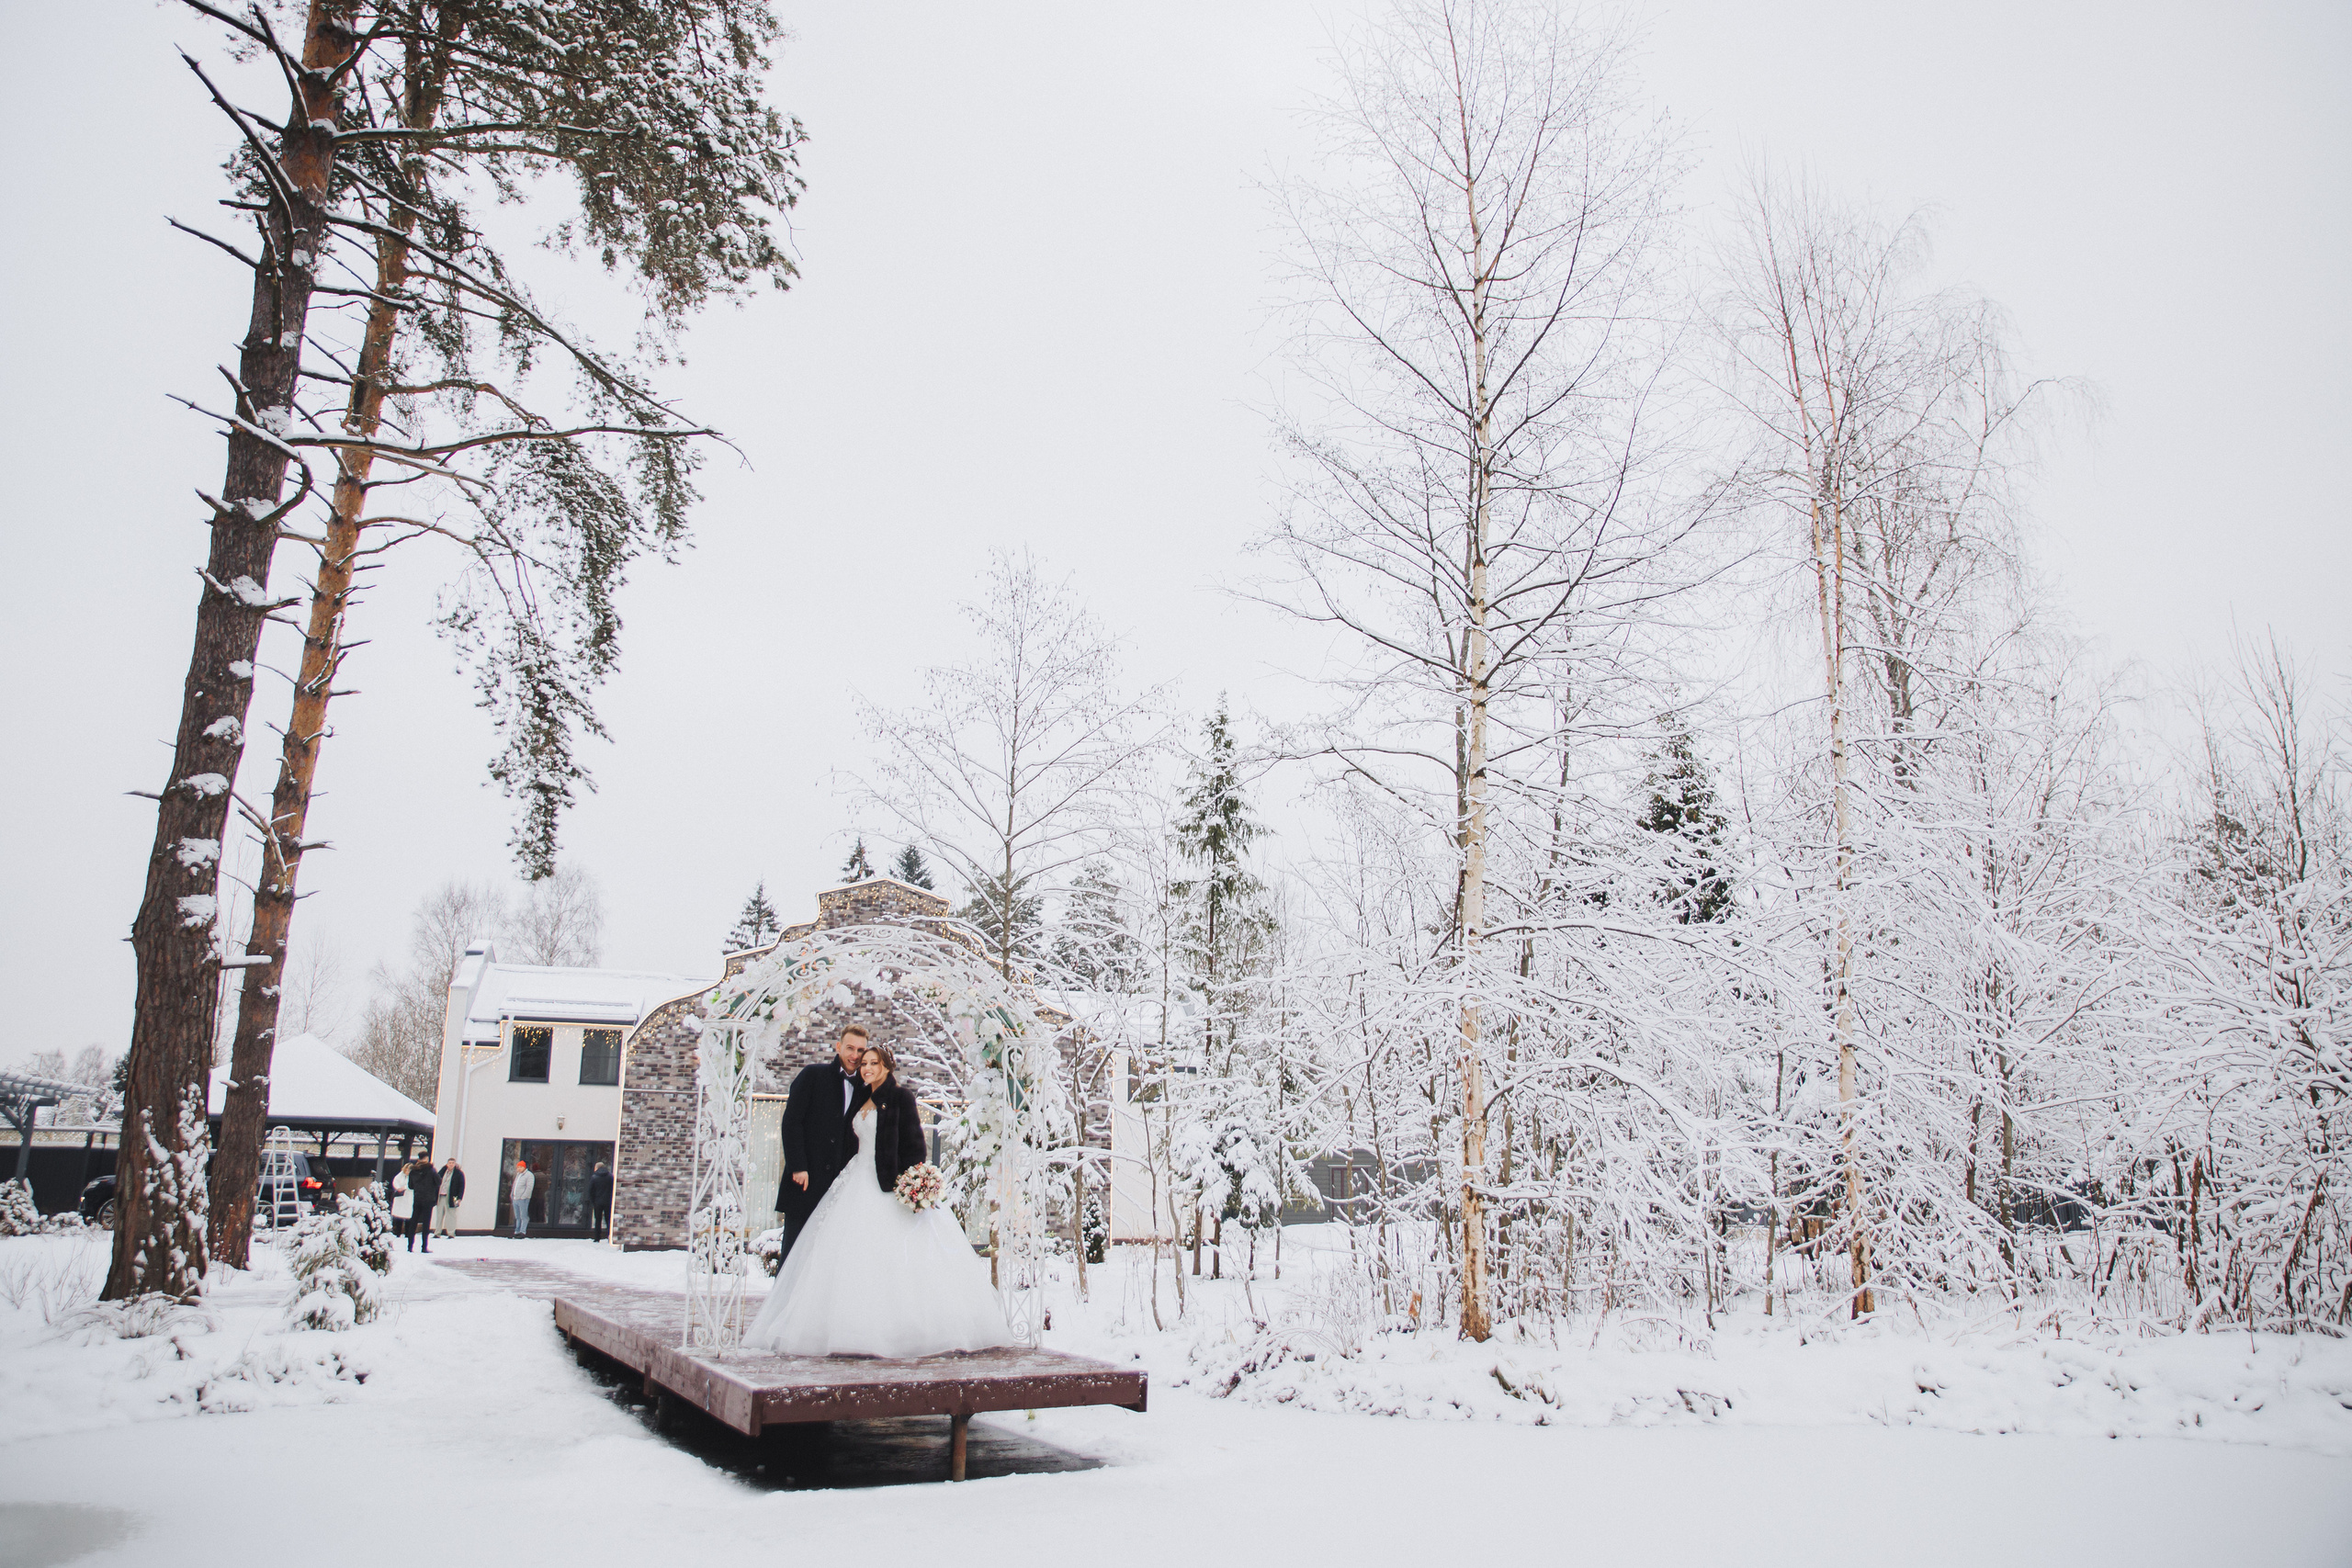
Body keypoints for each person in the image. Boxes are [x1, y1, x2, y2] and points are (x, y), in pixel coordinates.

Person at [741, 1042, 1012, 1358]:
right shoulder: (861, 1095)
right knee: (848, 1257)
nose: (867, 1068)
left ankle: (903, 1332)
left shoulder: (900, 1098)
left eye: (874, 1063)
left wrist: (910, 1185)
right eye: (864, 1063)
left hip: (888, 1185)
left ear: (887, 1066)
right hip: (855, 1181)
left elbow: (915, 1148)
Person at [775, 1025, 866, 1261]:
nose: (855, 1055)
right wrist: (798, 1166)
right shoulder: (812, 1076)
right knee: (794, 1257)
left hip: (839, 1191)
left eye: (860, 1050)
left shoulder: (866, 1090)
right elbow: (791, 1122)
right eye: (850, 1048)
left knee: (825, 1262)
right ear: (838, 1047)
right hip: (805, 1184)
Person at [405, 1155, 441, 1253]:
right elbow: (438, 1182)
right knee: (426, 1224)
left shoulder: (413, 1171)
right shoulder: (431, 1170)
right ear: (426, 1159)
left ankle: (409, 1246)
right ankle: (424, 1247)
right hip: (428, 1199)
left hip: (417, 1198)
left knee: (413, 1222)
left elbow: (410, 1186)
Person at [435, 1158, 465, 1238]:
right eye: (450, 1163)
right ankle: (437, 1232)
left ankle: (451, 1233)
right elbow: (436, 1180)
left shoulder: (458, 1174)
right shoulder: (442, 1172)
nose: (451, 1164)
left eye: (453, 1163)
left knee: (451, 1215)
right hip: (441, 1196)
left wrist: (459, 1198)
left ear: (455, 1164)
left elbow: (462, 1186)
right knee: (439, 1215)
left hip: (453, 1197)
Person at [509, 1157, 537, 1238]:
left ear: (524, 1167)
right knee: (517, 1216)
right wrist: (512, 1195)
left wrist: (523, 1196)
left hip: (523, 1199)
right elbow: (515, 1185)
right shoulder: (518, 1175)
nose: (519, 1169)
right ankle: (517, 1231)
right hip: (515, 1199)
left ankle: (523, 1232)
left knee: (523, 1216)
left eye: (520, 1167)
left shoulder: (529, 1175)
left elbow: (529, 1187)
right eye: (518, 1167)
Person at [587, 1161, 613, 1241]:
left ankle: (597, 1237)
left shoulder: (594, 1177)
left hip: (598, 1201)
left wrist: (593, 1201)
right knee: (608, 1219)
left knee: (598, 1219)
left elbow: (590, 1190)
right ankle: (609, 1235)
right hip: (608, 1201)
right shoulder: (610, 1176)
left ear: (597, 1168)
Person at [389, 1159, 414, 1239]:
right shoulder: (400, 1175)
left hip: (408, 1197)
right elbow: (395, 1182)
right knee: (398, 1216)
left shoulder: (413, 1177)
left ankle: (407, 1233)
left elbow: (413, 1185)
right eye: (406, 1169)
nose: (407, 1171)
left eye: (409, 1170)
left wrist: (405, 1187)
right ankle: (397, 1232)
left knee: (408, 1216)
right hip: (400, 1198)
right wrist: (399, 1188)